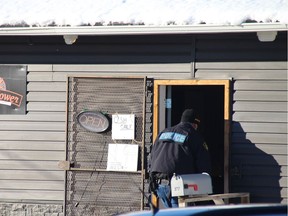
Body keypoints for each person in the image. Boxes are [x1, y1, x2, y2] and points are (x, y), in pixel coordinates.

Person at [148, 108, 211, 208]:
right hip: (178, 186)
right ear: (195, 124)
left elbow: (151, 159)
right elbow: (203, 164)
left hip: (159, 185)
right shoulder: (194, 136)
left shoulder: (163, 133)